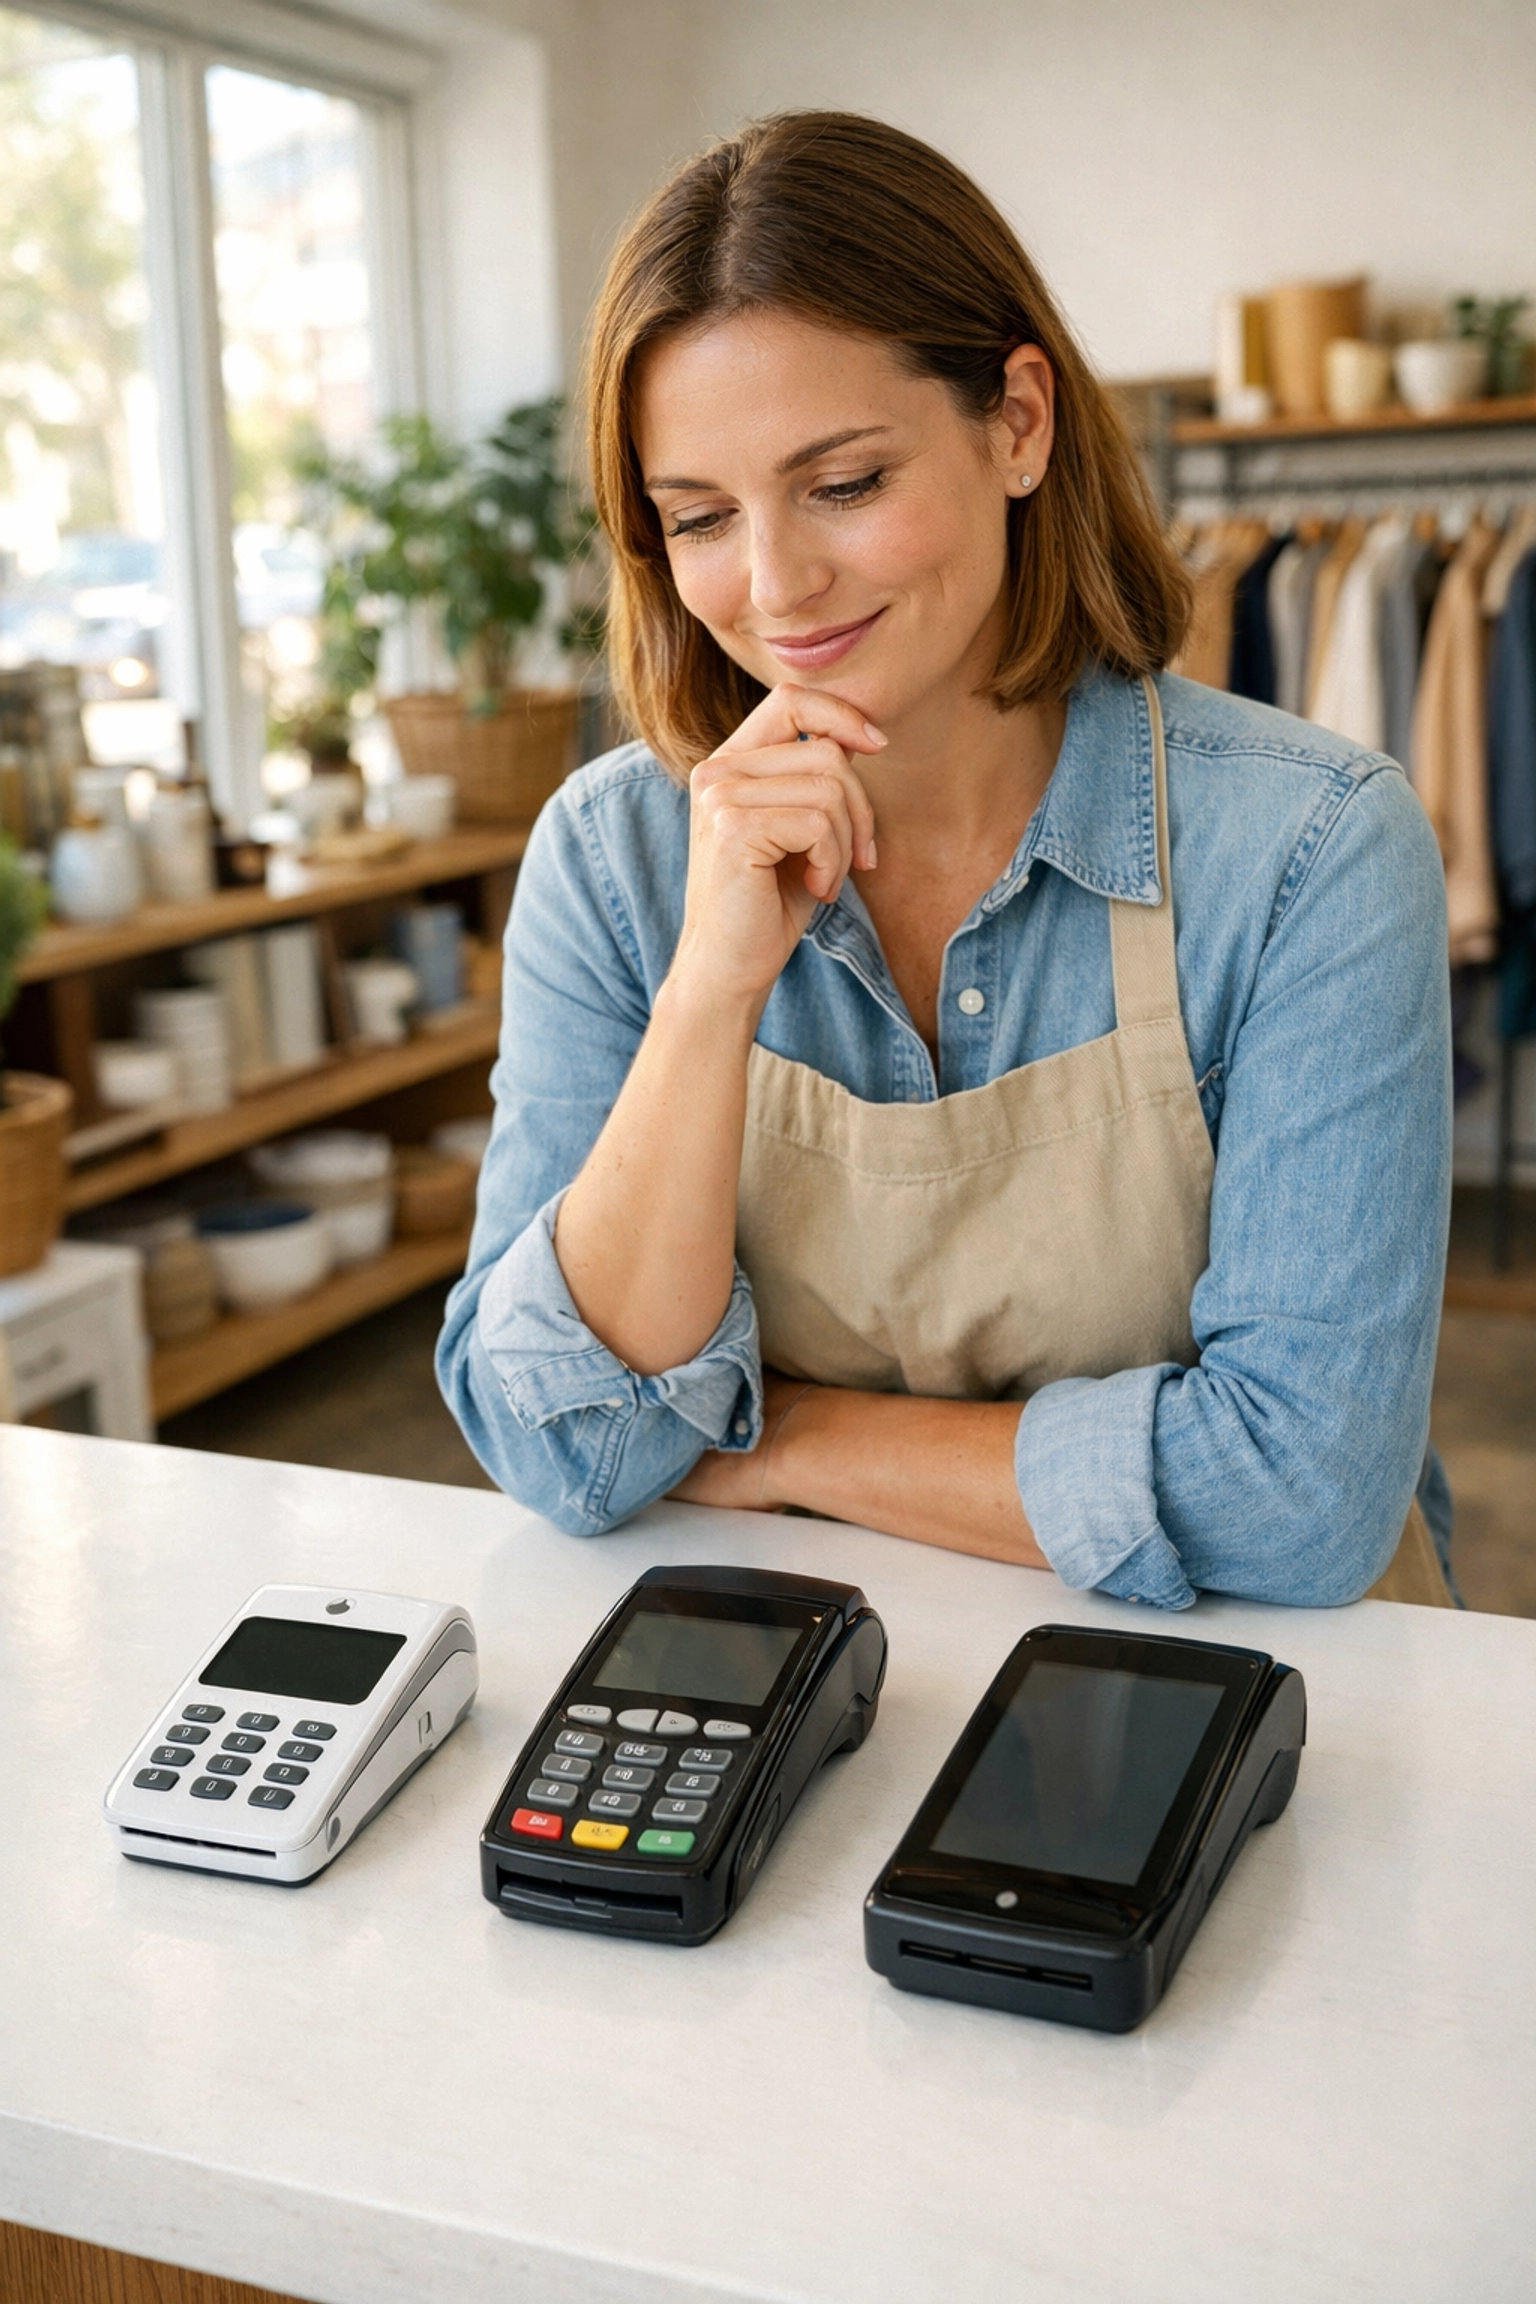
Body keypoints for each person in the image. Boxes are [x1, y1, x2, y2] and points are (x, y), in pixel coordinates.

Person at [438, 111, 1454, 1608]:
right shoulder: (610, 858)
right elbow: (562, 1443)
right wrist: (711, 987)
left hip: (1270, 1704)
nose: (774, 584)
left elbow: (1303, 1497)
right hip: (815, 1691)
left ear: (1020, 422)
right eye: (699, 517)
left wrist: (781, 1442)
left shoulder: (1309, 851)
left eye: (843, 483)